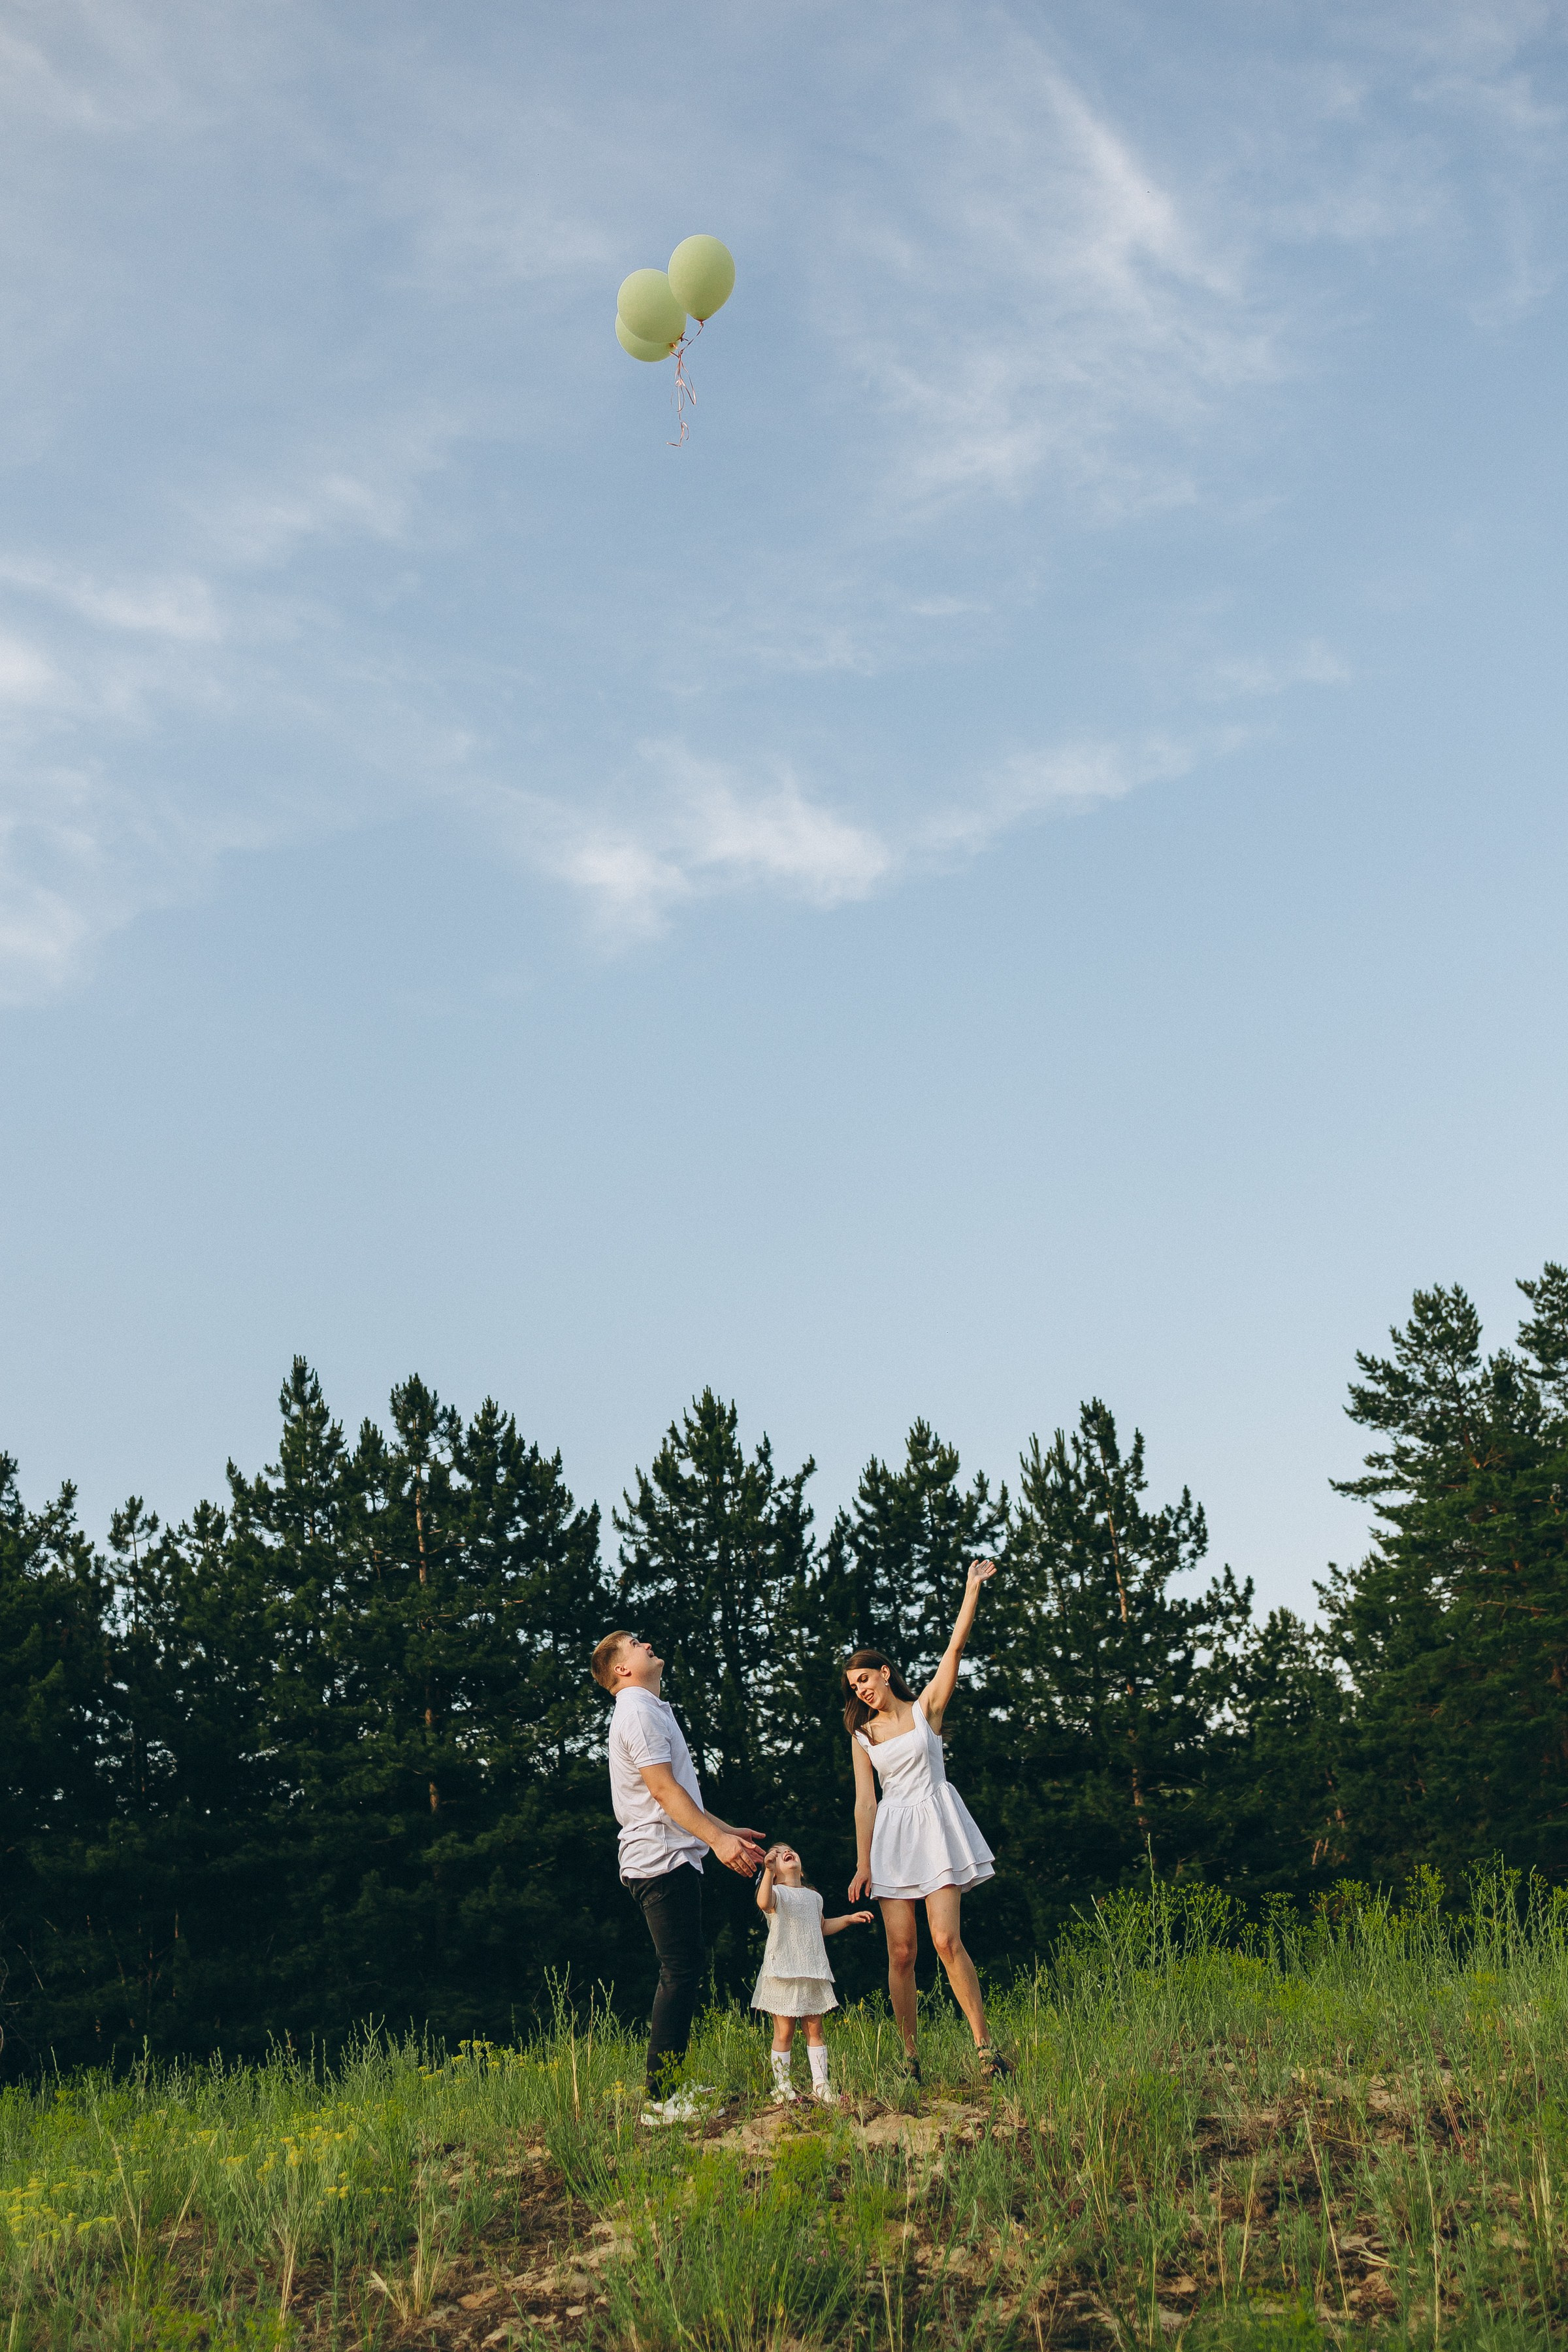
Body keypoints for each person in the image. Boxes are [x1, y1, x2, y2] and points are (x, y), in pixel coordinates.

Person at [845, 1560, 1009, 2085]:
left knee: (945, 1940)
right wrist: (862, 1864)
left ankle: (986, 2050)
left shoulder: (925, 1711)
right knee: (901, 1952)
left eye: (865, 1679)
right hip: (893, 1837)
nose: (861, 1690)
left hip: (936, 1828)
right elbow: (865, 1803)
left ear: (884, 1672)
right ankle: (910, 2059)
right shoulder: (863, 1735)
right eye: (854, 1687)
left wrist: (971, 1589)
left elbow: (955, 1648)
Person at [592, 1631, 765, 2115]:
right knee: (681, 1969)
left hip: (669, 1854)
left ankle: (668, 2089)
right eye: (635, 1644)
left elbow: (675, 1795)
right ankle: (661, 2100)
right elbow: (664, 1793)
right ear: (622, 1669)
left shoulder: (648, 1708)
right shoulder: (638, 1712)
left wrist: (726, 1830)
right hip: (659, 1859)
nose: (647, 1644)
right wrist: (720, 1843)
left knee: (684, 1968)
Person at [750, 1840, 873, 2104]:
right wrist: (768, 1871)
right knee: (784, 2032)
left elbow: (822, 1926)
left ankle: (821, 2085)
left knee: (815, 2030)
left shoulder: (814, 1897)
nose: (786, 1852)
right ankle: (783, 2087)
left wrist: (848, 1919)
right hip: (783, 1971)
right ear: (774, 1872)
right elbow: (763, 1902)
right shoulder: (776, 1893)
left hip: (812, 1970)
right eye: (778, 1854)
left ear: (801, 1869)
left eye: (789, 1850)